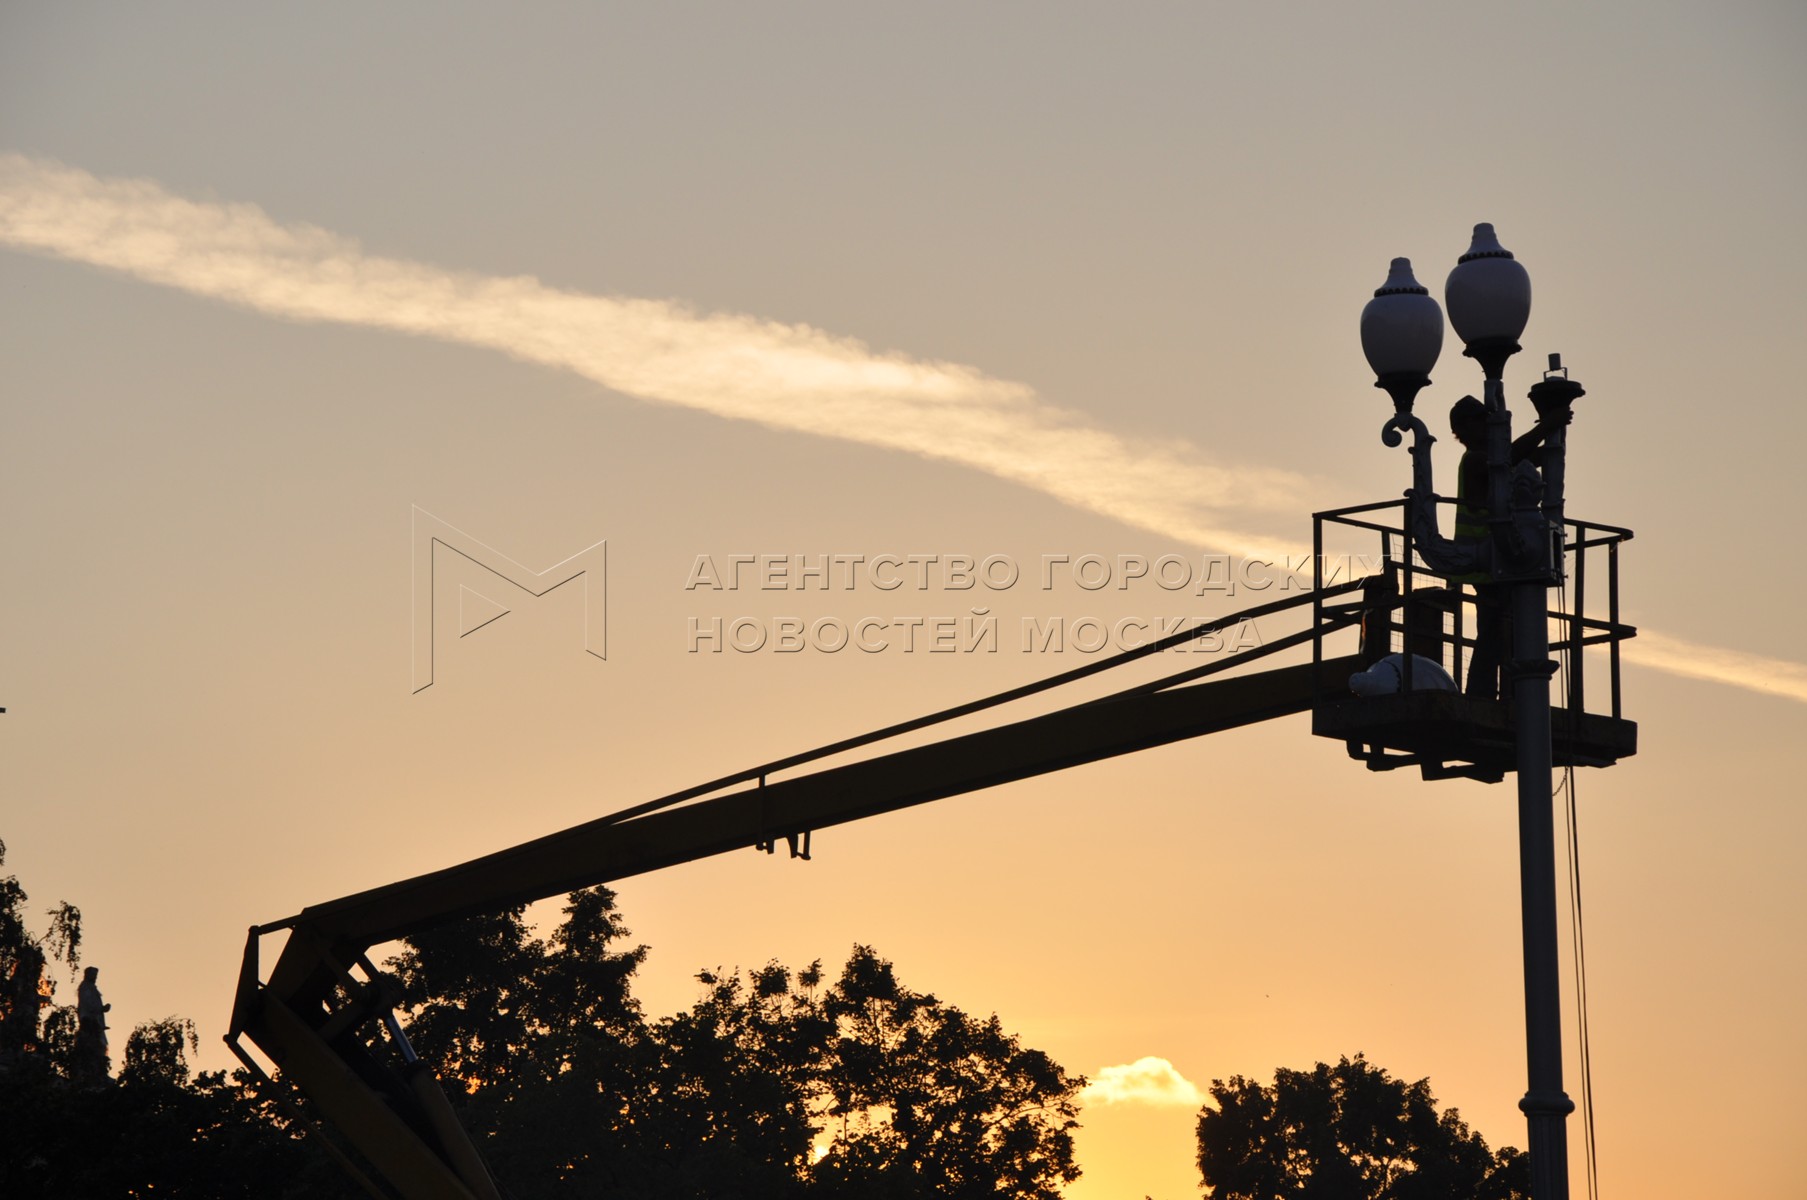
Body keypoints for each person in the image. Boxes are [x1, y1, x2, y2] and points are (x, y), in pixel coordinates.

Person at [1448, 396, 1564, 700]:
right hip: (1485, 564)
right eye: (1480, 422)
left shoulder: (1492, 462)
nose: (1487, 427)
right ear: (1462, 429)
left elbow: (1519, 457)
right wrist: (1546, 428)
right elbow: (1510, 456)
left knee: (1506, 631)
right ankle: (1482, 695)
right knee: (1493, 632)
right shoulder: (1475, 460)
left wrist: (1552, 437)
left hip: (1501, 562)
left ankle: (1506, 693)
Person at [74, 964, 110, 1083]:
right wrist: (101, 1009)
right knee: (94, 1045)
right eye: (93, 975)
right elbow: (88, 1005)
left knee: (99, 1045)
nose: (95, 978)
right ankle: (95, 1072)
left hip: (95, 1022)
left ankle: (100, 1071)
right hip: (89, 1022)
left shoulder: (91, 988)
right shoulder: (86, 988)